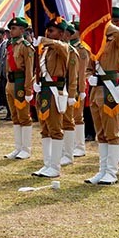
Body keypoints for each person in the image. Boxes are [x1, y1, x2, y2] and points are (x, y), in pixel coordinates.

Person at [85, 16, 119, 185]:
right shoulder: (95, 41)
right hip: (96, 90)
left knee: (112, 132)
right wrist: (89, 76)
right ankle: (102, 170)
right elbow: (88, 67)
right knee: (101, 133)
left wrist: (107, 25)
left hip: (110, 90)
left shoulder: (116, 39)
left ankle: (111, 172)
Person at [31, 17, 70, 178]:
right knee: (45, 129)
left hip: (55, 92)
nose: (48, 33)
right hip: (44, 91)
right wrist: (35, 82)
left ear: (61, 33)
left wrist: (45, 41)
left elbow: (64, 48)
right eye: (47, 30)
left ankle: (55, 166)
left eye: (52, 31)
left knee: (55, 129)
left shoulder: (63, 48)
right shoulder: (45, 50)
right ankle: (47, 164)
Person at [3, 16, 35, 161]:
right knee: (15, 115)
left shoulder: (26, 47)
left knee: (24, 116)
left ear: (22, 30)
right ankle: (18, 147)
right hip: (10, 82)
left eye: (14, 28)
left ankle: (26, 149)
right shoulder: (10, 44)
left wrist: (28, 89)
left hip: (21, 82)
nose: (11, 31)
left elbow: (29, 70)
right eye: (11, 28)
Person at [59, 22, 80, 167]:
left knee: (67, 121)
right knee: (57, 122)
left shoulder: (72, 52)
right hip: (56, 90)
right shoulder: (55, 49)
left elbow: (73, 77)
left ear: (68, 35)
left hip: (67, 90)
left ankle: (68, 154)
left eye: (63, 33)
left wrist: (72, 95)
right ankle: (61, 152)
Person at [69, 20, 90, 158]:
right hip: (68, 85)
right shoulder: (68, 47)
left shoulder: (82, 49)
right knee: (68, 118)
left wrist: (81, 89)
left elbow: (82, 71)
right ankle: (71, 145)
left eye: (72, 31)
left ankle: (79, 146)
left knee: (77, 117)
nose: (69, 34)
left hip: (77, 85)